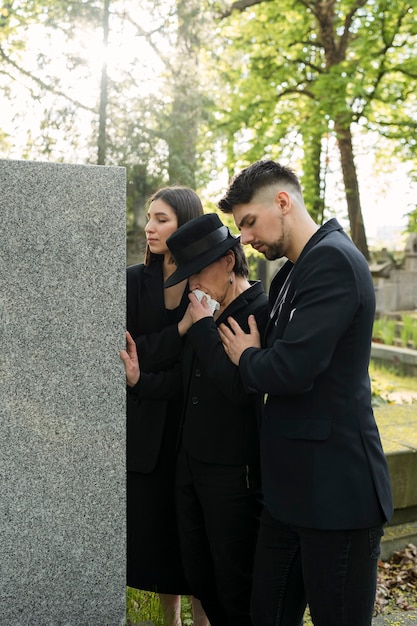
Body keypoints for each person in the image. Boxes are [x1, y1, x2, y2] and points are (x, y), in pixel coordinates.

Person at [216, 159, 393, 626]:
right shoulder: (293, 269)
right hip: (290, 493)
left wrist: (247, 358)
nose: (247, 239)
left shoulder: (333, 259)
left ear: (283, 201)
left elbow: (292, 368)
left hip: (337, 493)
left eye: (249, 223)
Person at [122, 212, 269, 626]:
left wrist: (203, 326)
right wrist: (139, 380)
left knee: (232, 585)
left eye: (197, 272)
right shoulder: (210, 308)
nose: (193, 285)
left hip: (231, 478)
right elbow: (183, 383)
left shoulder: (257, 312)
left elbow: (238, 390)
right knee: (200, 578)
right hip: (190, 471)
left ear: (227, 261)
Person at [123, 186, 208, 626]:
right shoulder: (133, 282)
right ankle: (169, 620)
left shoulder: (204, 280)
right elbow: (131, 352)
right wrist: (181, 330)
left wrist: (146, 375)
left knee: (193, 533)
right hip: (148, 426)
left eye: (161, 219)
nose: (149, 226)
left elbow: (200, 362)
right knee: (160, 531)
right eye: (150, 218)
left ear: (185, 226)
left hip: (194, 423)